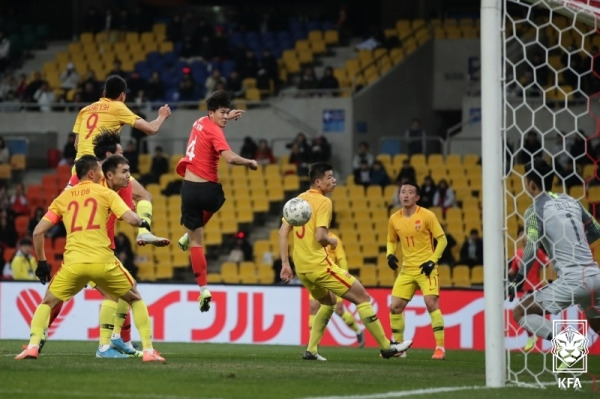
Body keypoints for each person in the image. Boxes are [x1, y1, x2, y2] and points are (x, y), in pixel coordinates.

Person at [15, 155, 165, 362]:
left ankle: (32, 346)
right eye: (100, 171)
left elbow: (37, 232)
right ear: (93, 173)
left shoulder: (63, 197)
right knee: (134, 297)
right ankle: (147, 350)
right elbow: (131, 219)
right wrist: (144, 225)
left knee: (48, 302)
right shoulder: (105, 193)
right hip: (102, 260)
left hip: (73, 263)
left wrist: (42, 262)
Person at [279, 162, 412, 360]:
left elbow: (283, 232)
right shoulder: (324, 202)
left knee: (329, 303)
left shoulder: (297, 200)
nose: (334, 181)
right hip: (319, 266)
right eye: (329, 177)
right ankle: (387, 347)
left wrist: (285, 264)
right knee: (363, 298)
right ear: (318, 182)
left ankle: (311, 350)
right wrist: (331, 241)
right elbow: (320, 236)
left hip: (302, 268)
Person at [175, 90, 258, 312]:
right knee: (218, 199)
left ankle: (203, 289)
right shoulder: (216, 132)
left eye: (226, 112)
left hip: (188, 188)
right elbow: (230, 158)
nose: (225, 117)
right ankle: (188, 235)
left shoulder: (199, 122)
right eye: (222, 113)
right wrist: (249, 161)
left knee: (195, 242)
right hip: (208, 190)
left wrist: (227, 116)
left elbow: (212, 120)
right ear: (212, 113)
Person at [508, 158, 600, 356]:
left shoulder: (534, 211)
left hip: (573, 281)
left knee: (520, 312)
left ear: (531, 184)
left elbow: (531, 248)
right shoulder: (571, 201)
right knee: (597, 325)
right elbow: (596, 231)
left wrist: (518, 279)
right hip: (595, 275)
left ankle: (570, 343)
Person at [70, 75, 171, 247]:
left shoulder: (85, 110)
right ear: (123, 96)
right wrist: (162, 115)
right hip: (101, 166)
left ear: (104, 92)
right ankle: (144, 233)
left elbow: (77, 143)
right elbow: (151, 129)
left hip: (78, 170)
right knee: (144, 196)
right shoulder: (118, 107)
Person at [386, 180, 448, 360]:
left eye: (410, 192)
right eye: (402, 191)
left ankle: (440, 348)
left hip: (426, 269)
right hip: (407, 269)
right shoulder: (394, 218)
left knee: (431, 304)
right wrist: (390, 254)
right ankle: (398, 348)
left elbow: (442, 240)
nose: (405, 195)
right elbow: (391, 240)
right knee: (395, 307)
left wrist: (432, 260)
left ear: (417, 197)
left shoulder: (427, 216)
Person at [307, 231, 365, 348]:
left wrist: (345, 276)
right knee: (313, 308)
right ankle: (313, 343)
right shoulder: (313, 238)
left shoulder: (334, 239)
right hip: (317, 278)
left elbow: (342, 259)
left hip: (332, 278)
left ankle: (358, 331)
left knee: (339, 310)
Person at [508, 225, 551, 351]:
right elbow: (513, 270)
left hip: (536, 288)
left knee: (521, 313)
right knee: (522, 315)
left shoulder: (536, 251)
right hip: (525, 290)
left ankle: (534, 337)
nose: (523, 237)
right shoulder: (517, 253)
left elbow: (549, 263)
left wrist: (549, 280)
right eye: (521, 235)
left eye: (525, 235)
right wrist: (506, 275)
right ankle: (533, 337)